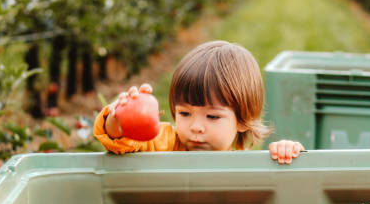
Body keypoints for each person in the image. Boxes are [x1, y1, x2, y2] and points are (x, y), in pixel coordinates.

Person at [93, 40, 304, 164]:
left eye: (212, 116)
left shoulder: (243, 165)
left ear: (242, 119)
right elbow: (120, 143)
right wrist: (121, 120)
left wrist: (286, 152)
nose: (195, 127)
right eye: (184, 113)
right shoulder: (164, 142)